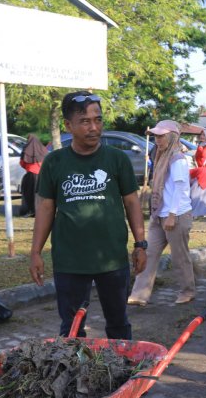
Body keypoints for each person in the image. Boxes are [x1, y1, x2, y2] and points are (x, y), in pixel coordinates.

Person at [29, 91, 146, 339]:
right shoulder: (54, 161)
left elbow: (132, 202)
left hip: (112, 260)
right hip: (69, 260)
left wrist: (140, 244)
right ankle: (74, 375)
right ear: (68, 125)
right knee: (71, 329)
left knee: (118, 323)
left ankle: (123, 372)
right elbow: (46, 208)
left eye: (98, 120)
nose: (94, 127)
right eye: (85, 121)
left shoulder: (117, 159)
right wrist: (36, 252)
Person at [128, 120, 195, 306]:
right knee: (149, 254)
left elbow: (182, 189)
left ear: (172, 137)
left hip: (176, 215)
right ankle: (139, 294)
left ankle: (187, 291)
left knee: (179, 257)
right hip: (159, 214)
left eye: (161, 136)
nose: (157, 140)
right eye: (156, 136)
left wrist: (172, 215)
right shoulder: (160, 155)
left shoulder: (177, 158)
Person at [19, 134, 47, 217]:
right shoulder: (43, 149)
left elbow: (22, 163)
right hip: (42, 175)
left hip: (31, 175)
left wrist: (28, 167)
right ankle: (40, 211)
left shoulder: (26, 149)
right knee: (41, 194)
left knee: (29, 194)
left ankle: (30, 211)